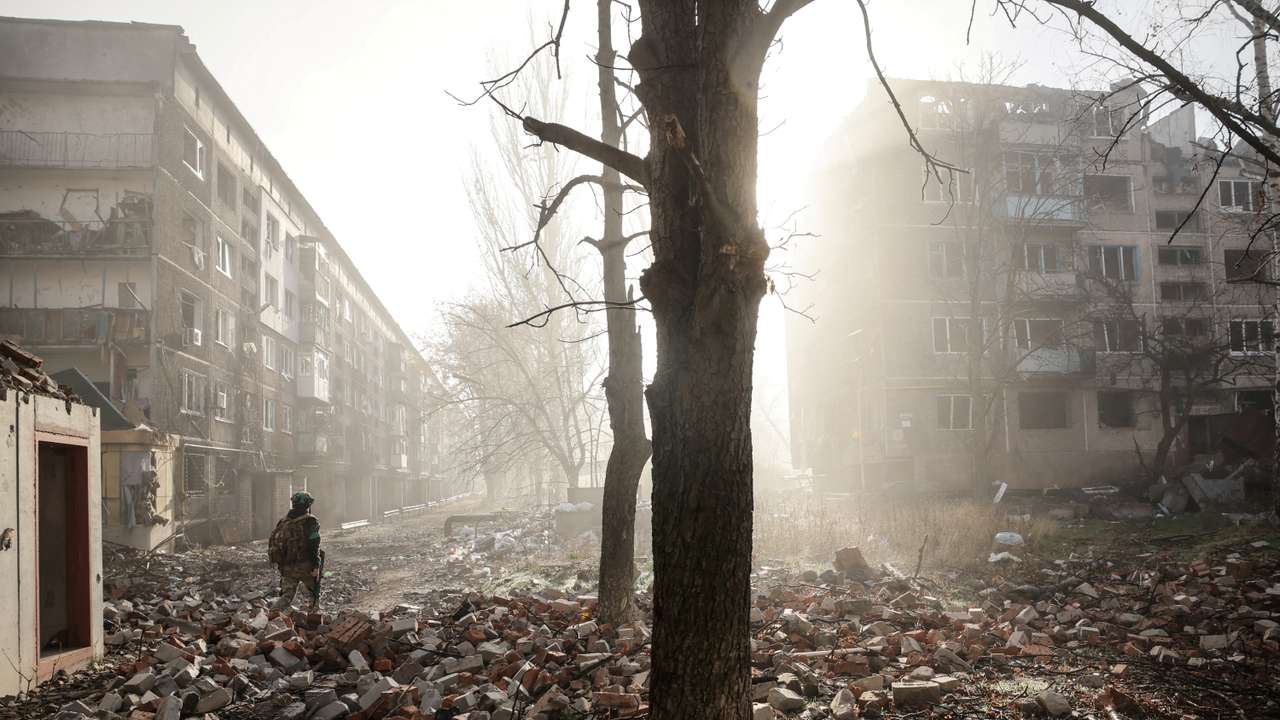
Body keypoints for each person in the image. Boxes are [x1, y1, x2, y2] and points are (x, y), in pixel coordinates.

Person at [268, 491, 323, 611]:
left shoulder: (283, 522)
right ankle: (314, 622)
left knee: (286, 597)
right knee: (313, 595)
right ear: (308, 505)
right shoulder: (310, 521)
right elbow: (314, 544)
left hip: (286, 567)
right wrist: (316, 565)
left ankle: (269, 617)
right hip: (305, 566)